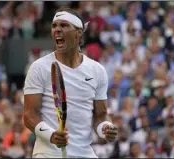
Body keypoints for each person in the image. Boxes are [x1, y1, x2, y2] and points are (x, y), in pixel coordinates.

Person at [23, 7, 117, 158]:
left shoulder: (97, 70)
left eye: (64, 25)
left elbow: (100, 115)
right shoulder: (38, 68)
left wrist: (105, 128)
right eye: (55, 26)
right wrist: (51, 135)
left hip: (84, 153)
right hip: (48, 154)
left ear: (79, 32)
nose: (57, 30)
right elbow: (29, 115)